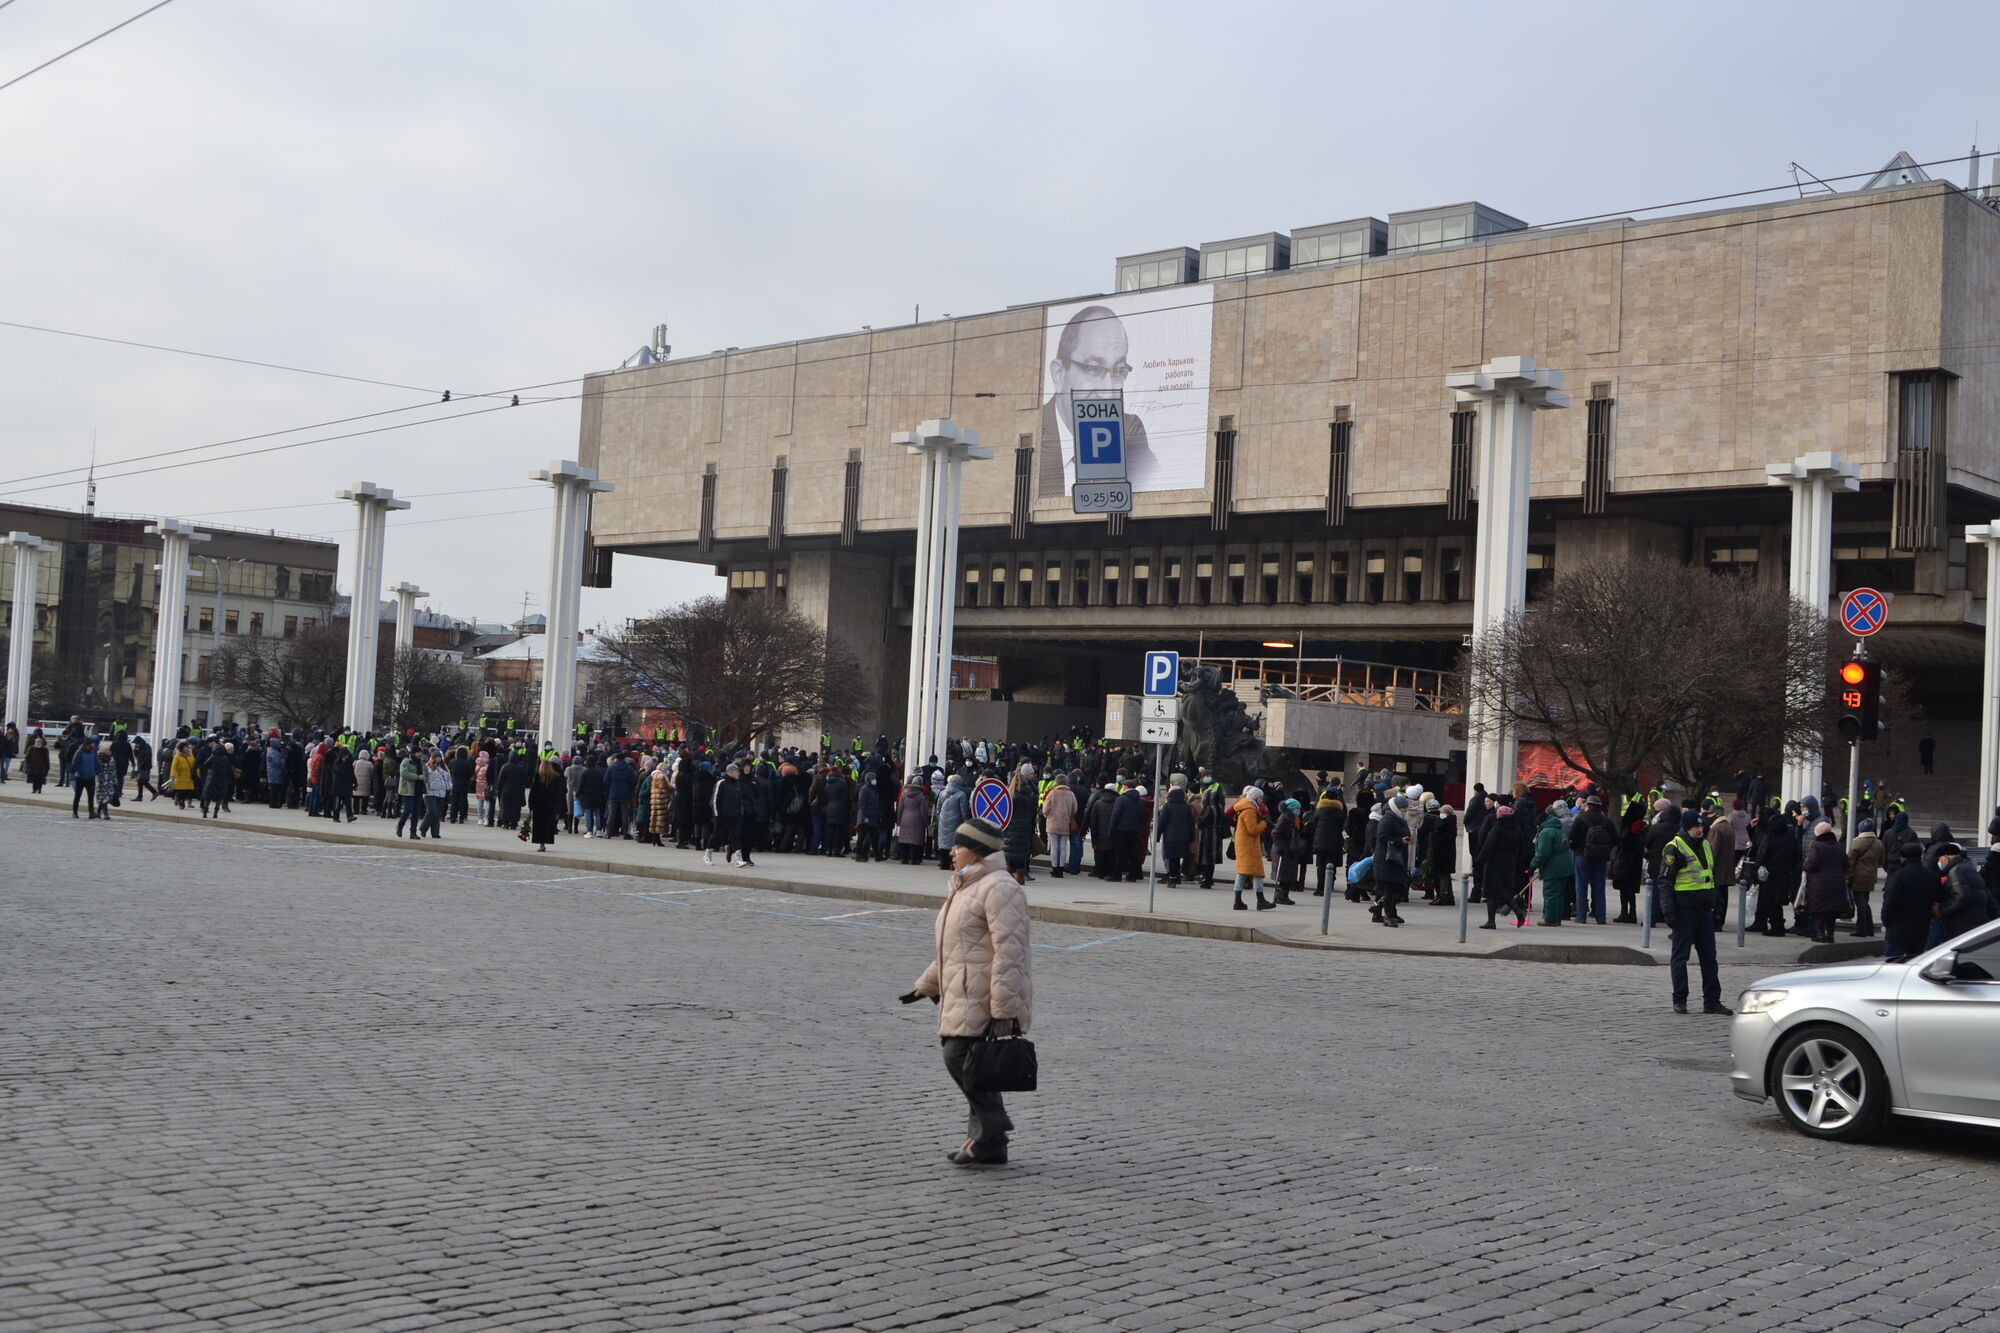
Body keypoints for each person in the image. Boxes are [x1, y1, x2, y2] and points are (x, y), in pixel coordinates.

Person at [898, 817, 1031, 1167]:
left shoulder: (1000, 888)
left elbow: (1011, 952)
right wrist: (924, 986)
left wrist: (1004, 1008)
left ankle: (993, 1127)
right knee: (971, 1062)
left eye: (958, 846)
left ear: (977, 851)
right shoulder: (965, 885)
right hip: (962, 990)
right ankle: (989, 1143)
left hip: (984, 994)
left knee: (959, 1056)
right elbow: (954, 949)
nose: (952, 851)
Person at [1036, 304, 1155, 497]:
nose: (1108, 393)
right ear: (1059, 374)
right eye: (1093, 370)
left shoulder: (1129, 431)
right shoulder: (1032, 431)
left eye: (1118, 370)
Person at [1661, 810, 1731, 1015]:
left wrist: (1717, 903)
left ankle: (1712, 1002)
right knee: (1680, 957)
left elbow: (1710, 877)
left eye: (1702, 827)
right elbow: (1665, 881)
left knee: (1709, 957)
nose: (1700, 830)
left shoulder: (1706, 845)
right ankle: (1680, 999)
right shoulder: (1674, 848)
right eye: (1695, 827)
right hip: (1684, 910)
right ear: (1686, 826)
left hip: (1704, 909)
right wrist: (1668, 912)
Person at [1881, 841, 1941, 961]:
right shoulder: (1932, 877)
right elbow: (1936, 902)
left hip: (1898, 931)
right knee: (1914, 964)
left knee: (1893, 965)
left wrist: (1887, 921)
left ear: (1902, 857)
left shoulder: (1899, 876)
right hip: (1921, 930)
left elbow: (1890, 902)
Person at [1474, 802, 1524, 929]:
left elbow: (1487, 848)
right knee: (1505, 891)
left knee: (1490, 893)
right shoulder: (1516, 829)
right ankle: (1518, 911)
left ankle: (1491, 921)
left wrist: (1478, 861)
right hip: (1509, 864)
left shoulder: (1497, 830)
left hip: (1493, 864)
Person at [1936, 843, 1999, 942]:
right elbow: (1988, 897)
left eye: (1939, 859)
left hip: (1961, 924)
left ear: (1946, 857)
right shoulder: (1970, 870)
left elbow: (1961, 897)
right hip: (1977, 922)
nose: (1939, 862)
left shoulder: (1955, 872)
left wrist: (1941, 909)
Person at [1801, 820, 1849, 943]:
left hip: (1819, 885)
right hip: (1837, 883)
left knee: (1820, 911)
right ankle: (1830, 935)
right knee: (1832, 911)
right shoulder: (1839, 846)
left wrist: (1805, 864)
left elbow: (1810, 865)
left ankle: (1820, 934)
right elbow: (1846, 865)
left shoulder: (1817, 846)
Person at [1568, 795, 1614, 923]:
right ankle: (1601, 917)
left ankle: (1581, 916)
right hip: (1600, 859)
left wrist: (1575, 848)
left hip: (1582, 856)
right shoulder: (1606, 821)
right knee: (1599, 887)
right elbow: (1615, 839)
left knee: (1581, 886)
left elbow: (1571, 837)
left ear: (1588, 806)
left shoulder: (1580, 818)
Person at [1533, 800, 1575, 926]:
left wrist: (1533, 865)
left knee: (1551, 893)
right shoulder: (1559, 829)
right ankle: (1557, 918)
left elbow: (1543, 853)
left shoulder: (1546, 833)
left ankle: (1550, 919)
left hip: (1553, 867)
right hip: (1565, 865)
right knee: (1559, 893)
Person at [1231, 785, 1273, 911]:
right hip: (1248, 846)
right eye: (1260, 798)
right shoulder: (1249, 810)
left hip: (1246, 845)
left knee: (1245, 872)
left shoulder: (1248, 808)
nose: (1261, 801)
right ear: (1255, 797)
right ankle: (1259, 900)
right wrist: (1264, 823)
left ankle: (1240, 901)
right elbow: (1252, 830)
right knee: (1252, 873)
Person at [1845, 819, 1885, 938]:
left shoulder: (1857, 843)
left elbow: (1850, 862)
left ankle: (1862, 929)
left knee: (1860, 904)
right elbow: (1882, 861)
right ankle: (1869, 929)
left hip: (1858, 877)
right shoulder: (1878, 843)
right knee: (1865, 902)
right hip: (1871, 877)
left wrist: (1847, 877)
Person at [1154, 781, 1194, 887]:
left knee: (1172, 859)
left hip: (1170, 837)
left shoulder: (1167, 806)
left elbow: (1162, 822)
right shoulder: (1186, 807)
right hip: (1184, 837)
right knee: (1178, 858)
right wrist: (1192, 838)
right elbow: (1191, 824)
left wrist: (1157, 836)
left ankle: (1172, 879)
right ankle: (1177, 877)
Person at [1040, 776, 1077, 880]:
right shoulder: (1071, 794)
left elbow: (1045, 809)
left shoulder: (1052, 793)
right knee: (1063, 847)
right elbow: (1075, 809)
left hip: (1053, 823)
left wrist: (1047, 816)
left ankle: (1055, 869)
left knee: (1054, 846)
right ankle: (1061, 869)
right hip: (1065, 823)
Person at [526, 759, 565, 851]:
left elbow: (533, 792)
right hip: (550, 806)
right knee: (547, 825)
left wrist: (531, 805)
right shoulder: (555, 777)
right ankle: (545, 841)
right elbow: (558, 793)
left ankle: (541, 844)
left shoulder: (538, 776)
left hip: (538, 806)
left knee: (539, 826)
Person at [896, 779, 930, 866]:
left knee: (904, 839)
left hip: (905, 817)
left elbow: (900, 807)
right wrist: (925, 822)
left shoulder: (904, 793)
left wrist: (899, 819)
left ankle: (904, 858)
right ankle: (914, 859)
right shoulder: (921, 796)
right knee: (915, 840)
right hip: (917, 818)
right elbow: (923, 810)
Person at [395, 749, 425, 839]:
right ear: (413, 753)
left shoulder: (421, 763)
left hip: (418, 790)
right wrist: (417, 777)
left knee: (416, 812)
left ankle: (413, 833)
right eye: (417, 752)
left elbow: (426, 773)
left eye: (420, 752)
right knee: (408, 809)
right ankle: (400, 826)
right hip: (408, 790)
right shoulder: (406, 761)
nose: (419, 754)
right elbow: (404, 773)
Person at [422, 753, 450, 839]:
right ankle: (423, 828)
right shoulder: (428, 767)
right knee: (432, 811)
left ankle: (435, 833)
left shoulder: (444, 767)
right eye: (436, 757)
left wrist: (449, 786)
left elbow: (448, 778)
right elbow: (425, 779)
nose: (438, 759)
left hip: (442, 793)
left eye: (439, 757)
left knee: (437, 814)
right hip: (430, 793)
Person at [169, 741, 195, 808]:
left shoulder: (190, 756)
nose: (187, 749)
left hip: (189, 777)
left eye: (187, 747)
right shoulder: (177, 756)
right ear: (181, 748)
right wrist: (173, 776)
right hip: (180, 777)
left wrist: (197, 773)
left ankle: (179, 798)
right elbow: (174, 767)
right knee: (181, 791)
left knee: (187, 791)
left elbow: (194, 765)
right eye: (185, 747)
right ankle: (181, 802)